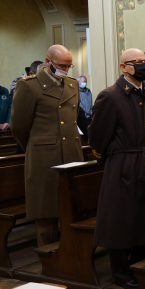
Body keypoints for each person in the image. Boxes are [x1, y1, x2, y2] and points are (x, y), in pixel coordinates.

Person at [90, 48, 145, 288]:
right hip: (122, 165)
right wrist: (112, 160)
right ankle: (120, 272)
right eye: (136, 62)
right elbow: (98, 137)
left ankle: (143, 264)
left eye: (144, 62)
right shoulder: (110, 96)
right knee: (121, 220)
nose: (143, 65)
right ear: (123, 67)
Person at [11, 45, 84, 246]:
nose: (66, 70)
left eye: (69, 66)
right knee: (46, 212)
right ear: (48, 61)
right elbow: (19, 126)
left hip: (71, 153)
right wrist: (39, 146)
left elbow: (74, 119)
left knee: (70, 209)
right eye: (62, 65)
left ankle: (70, 255)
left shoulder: (71, 84)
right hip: (45, 157)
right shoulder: (29, 86)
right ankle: (48, 257)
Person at [76, 75, 92, 142]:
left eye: (85, 81)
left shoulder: (88, 91)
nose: (84, 83)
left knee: (90, 135)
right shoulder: (76, 91)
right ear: (78, 82)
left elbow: (90, 103)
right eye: (83, 81)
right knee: (83, 137)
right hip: (81, 118)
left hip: (89, 117)